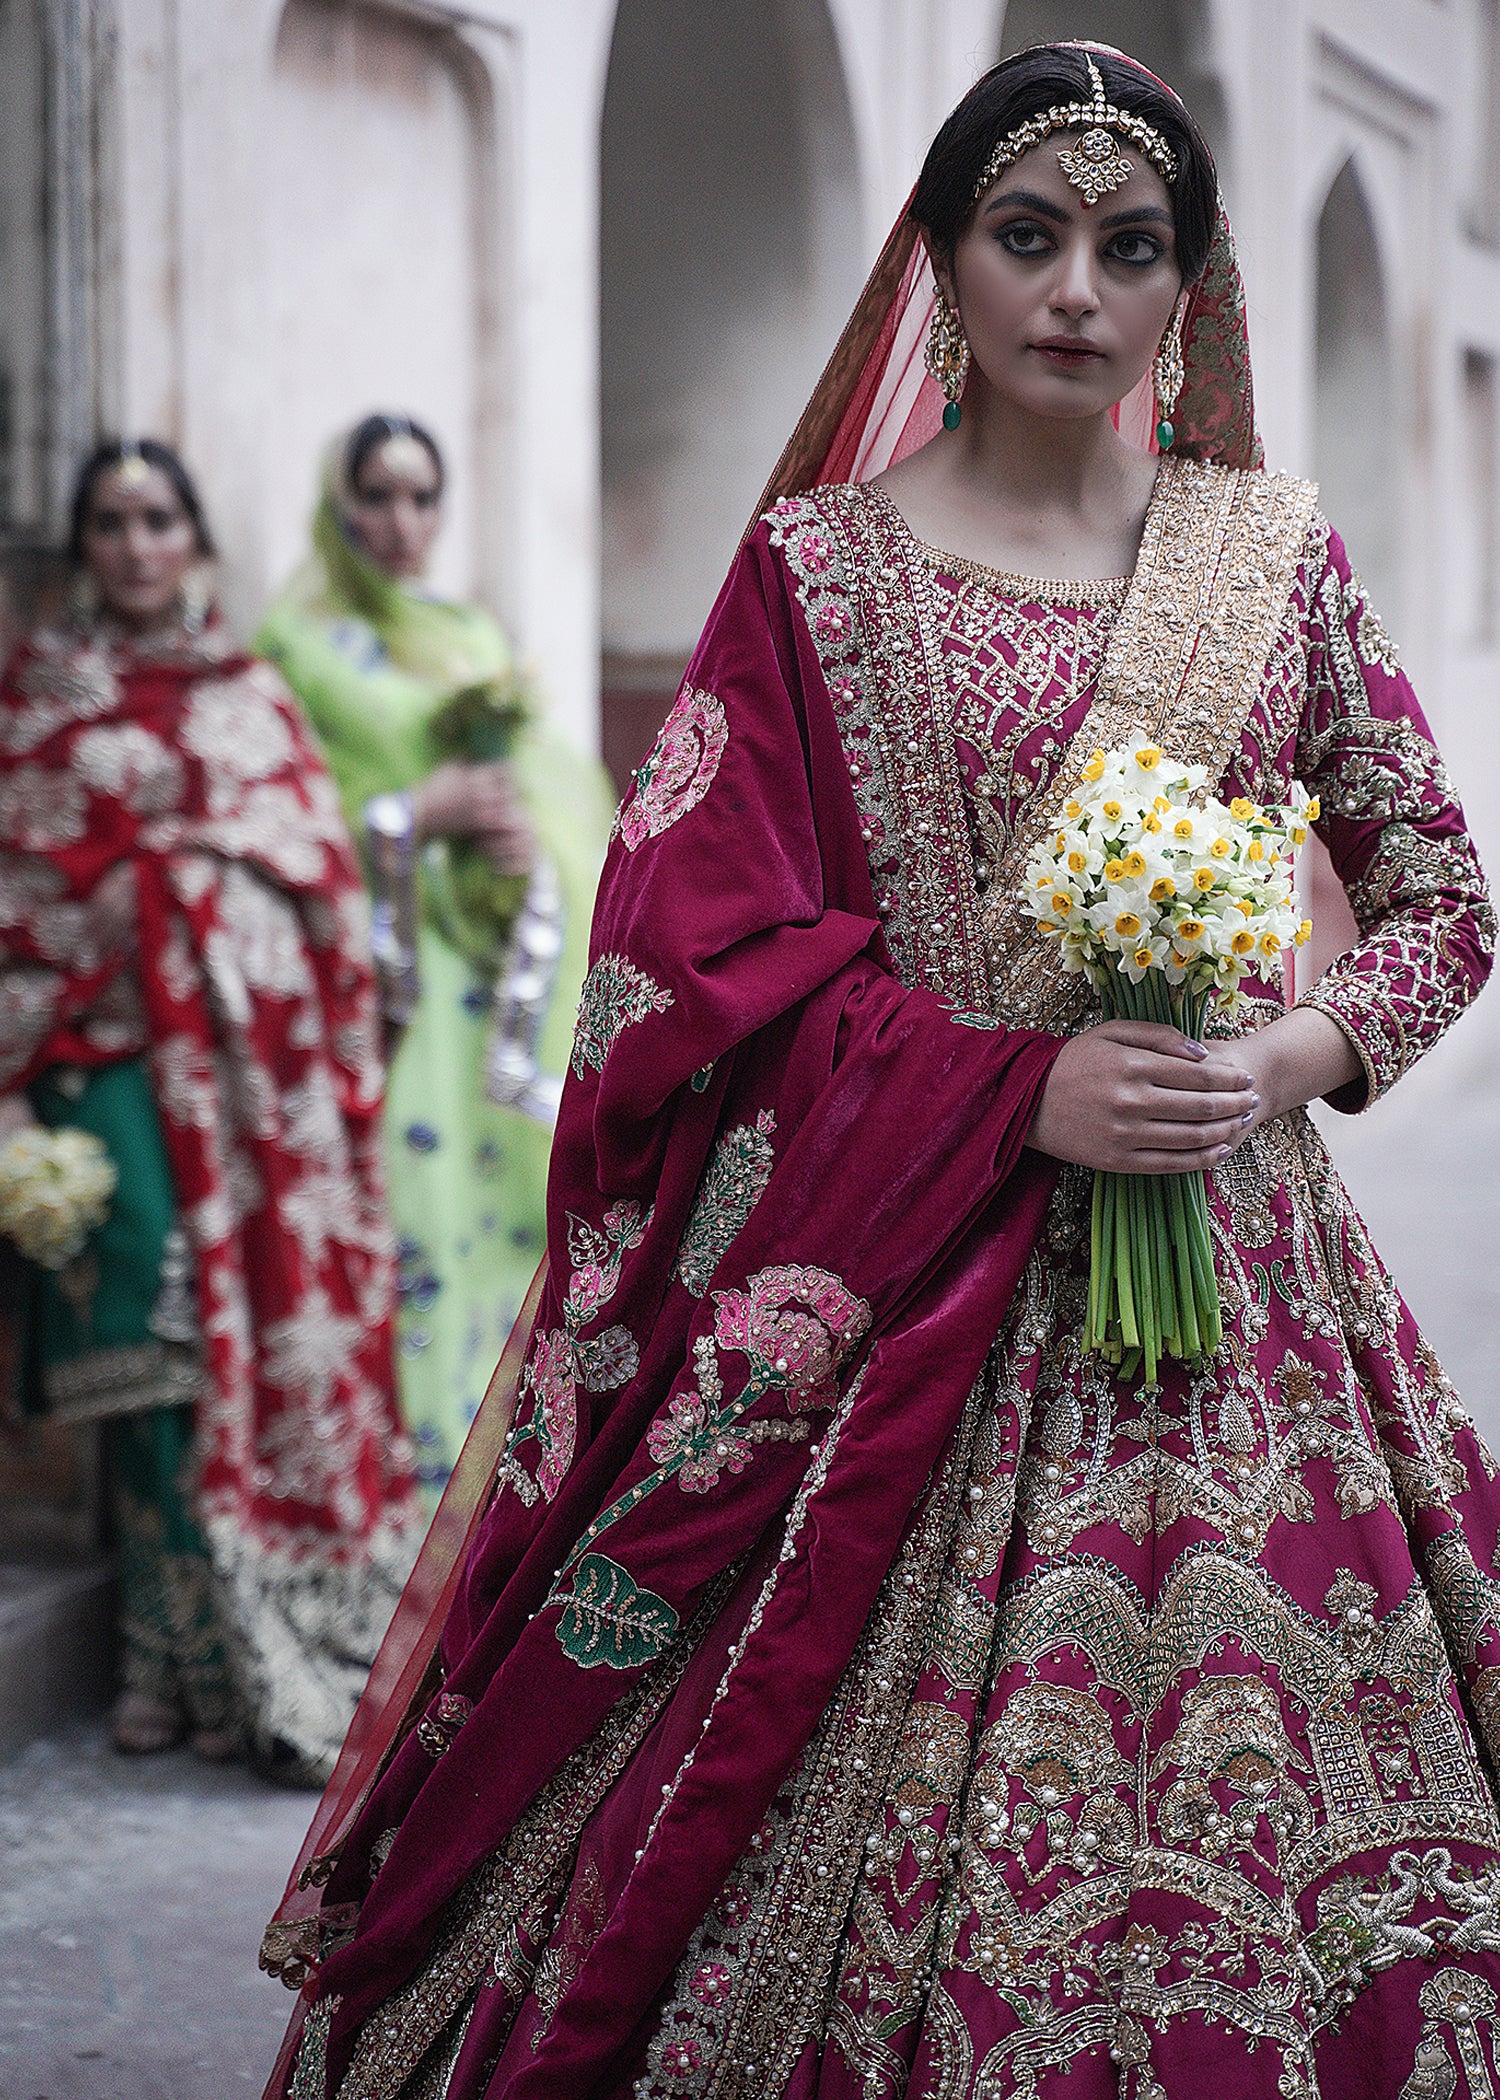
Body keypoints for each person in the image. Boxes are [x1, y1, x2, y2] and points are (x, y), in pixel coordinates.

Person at [263, 46, 1500, 2099]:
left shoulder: (1273, 559)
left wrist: (1276, 1058)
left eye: (1131, 247)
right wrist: (1014, 1090)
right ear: (941, 257)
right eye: (1028, 236)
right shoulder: (816, 576)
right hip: (899, 1302)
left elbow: (1443, 899)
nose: (1077, 291)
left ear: (1188, 288)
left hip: (1244, 1310)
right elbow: (688, 970)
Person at [0, 438, 421, 1777]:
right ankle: (164, 1657)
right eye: (111, 522)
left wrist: (191, 874)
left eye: (157, 519)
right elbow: (18, 887)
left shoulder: (249, 696)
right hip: (100, 1062)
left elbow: (321, 873)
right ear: (83, 546)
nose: (136, 545)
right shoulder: (40, 696)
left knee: (216, 1350)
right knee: (148, 1352)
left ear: (194, 539)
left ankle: (230, 1667)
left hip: (247, 1090)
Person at [257, 417, 611, 1501]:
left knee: (501, 1203)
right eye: (376, 496)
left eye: (422, 497)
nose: (401, 523)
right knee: (411, 1203)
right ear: (338, 506)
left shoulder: (471, 636)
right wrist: (411, 813)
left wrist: (521, 837)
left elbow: (548, 781)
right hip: (385, 984)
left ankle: (493, 1483)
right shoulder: (298, 647)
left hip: (489, 972)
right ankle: (395, 1492)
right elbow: (277, 816)